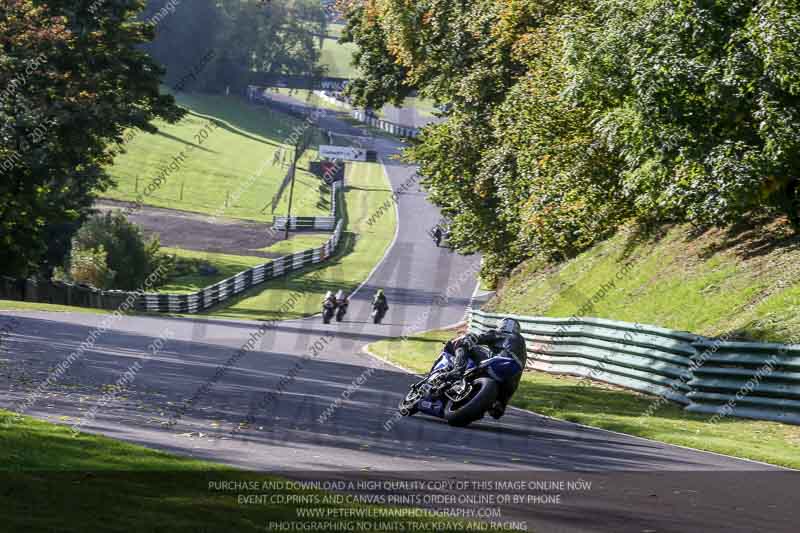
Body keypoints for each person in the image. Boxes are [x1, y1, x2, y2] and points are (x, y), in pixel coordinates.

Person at [443, 317, 526, 419]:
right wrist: (503, 403)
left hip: (497, 363)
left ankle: (457, 371)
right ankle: (495, 405)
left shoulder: (499, 333)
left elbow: (477, 338)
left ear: (503, 326)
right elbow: (515, 381)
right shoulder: (521, 344)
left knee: (463, 344)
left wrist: (469, 338)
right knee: (497, 409)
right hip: (510, 379)